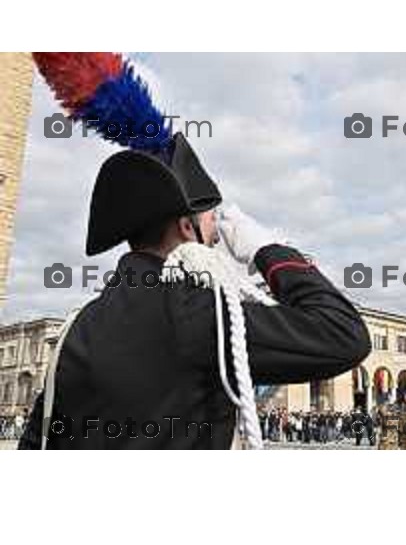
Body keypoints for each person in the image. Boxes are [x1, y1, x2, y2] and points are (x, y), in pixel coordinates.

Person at [19, 133, 370, 450]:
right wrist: (268, 249)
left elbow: (36, 443)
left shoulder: (74, 330)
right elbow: (344, 335)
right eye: (210, 222)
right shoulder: (196, 314)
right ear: (188, 227)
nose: (216, 235)